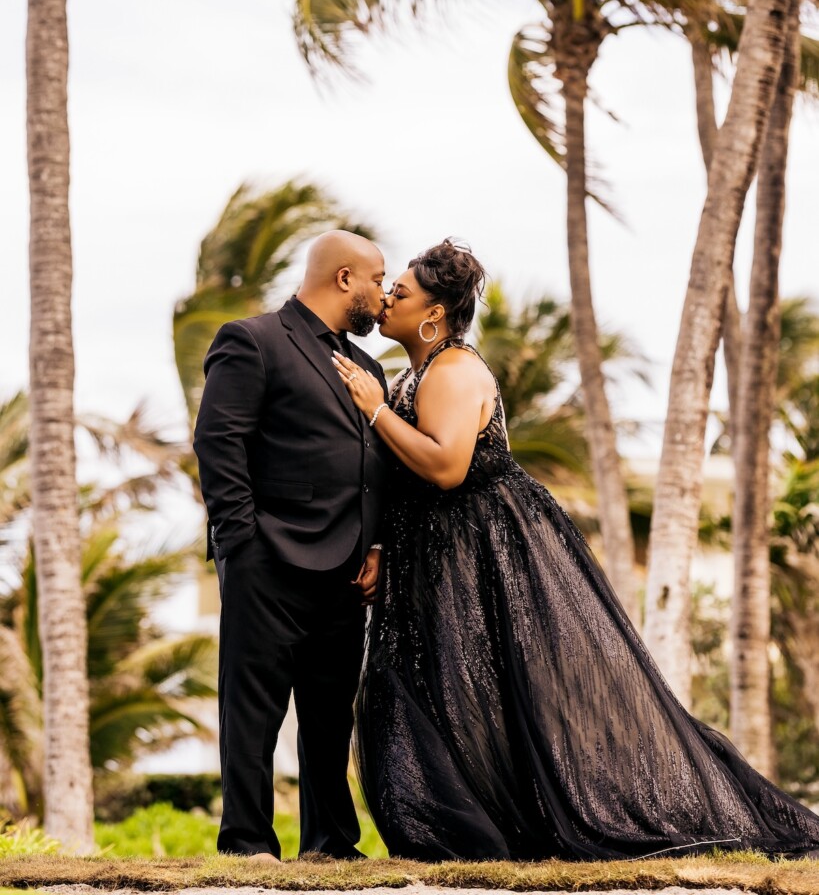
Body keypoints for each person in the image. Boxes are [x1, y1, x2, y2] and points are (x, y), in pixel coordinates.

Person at [333, 238, 819, 862]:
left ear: (433, 315)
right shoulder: (414, 372)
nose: (384, 301)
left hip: (482, 552)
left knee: (496, 688)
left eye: (398, 293)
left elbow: (448, 467)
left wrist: (375, 412)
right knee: (440, 689)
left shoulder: (454, 370)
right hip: (433, 558)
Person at [193, 230, 391, 861]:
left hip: (345, 574)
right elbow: (218, 445)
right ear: (343, 279)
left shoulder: (370, 369)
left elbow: (374, 464)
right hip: (267, 563)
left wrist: (378, 544)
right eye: (377, 280)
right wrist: (241, 544)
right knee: (252, 714)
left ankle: (330, 843)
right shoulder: (252, 340)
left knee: (331, 717)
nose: (383, 296)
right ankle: (247, 842)